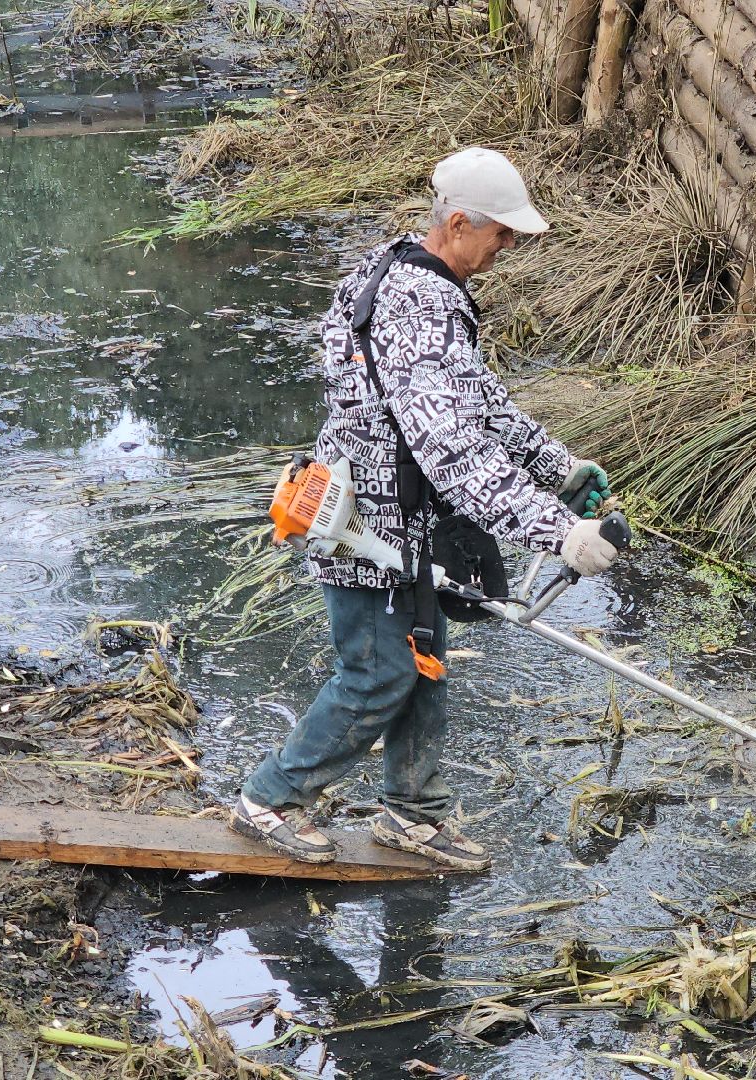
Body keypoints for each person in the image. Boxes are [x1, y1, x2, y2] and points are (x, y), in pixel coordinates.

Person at [231, 147, 620, 871]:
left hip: (406, 524)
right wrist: (559, 531)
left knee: (423, 657)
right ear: (460, 222)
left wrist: (559, 467)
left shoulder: (406, 271)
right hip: (365, 525)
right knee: (378, 675)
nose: (508, 247)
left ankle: (412, 814)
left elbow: (476, 400)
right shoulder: (418, 309)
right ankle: (269, 800)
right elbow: (453, 450)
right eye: (502, 233)